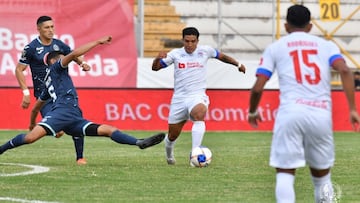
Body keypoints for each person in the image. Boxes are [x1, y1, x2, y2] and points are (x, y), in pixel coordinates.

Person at [247, 4, 360, 203]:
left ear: (286, 26)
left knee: (285, 171)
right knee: (322, 177)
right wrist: (352, 108)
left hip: (290, 113)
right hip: (320, 114)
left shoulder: (276, 47)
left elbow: (257, 88)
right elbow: (344, 71)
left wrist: (253, 111)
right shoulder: (326, 46)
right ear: (309, 26)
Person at [0, 36, 165, 157]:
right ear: (54, 61)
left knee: (106, 129)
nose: (64, 59)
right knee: (30, 138)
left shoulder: (49, 83)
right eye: (61, 58)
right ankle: (1, 149)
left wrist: (31, 123)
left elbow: (37, 106)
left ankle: (139, 142)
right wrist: (97, 42)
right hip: (65, 112)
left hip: (72, 116)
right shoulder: (57, 67)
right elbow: (74, 54)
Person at [152, 27, 246, 165]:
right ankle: (169, 155)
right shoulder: (175, 54)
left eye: (193, 41)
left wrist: (238, 64)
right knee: (172, 135)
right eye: (187, 41)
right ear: (182, 40)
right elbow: (155, 68)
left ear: (198, 41)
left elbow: (222, 57)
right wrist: (157, 59)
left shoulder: (205, 51)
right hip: (179, 98)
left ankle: (195, 154)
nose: (190, 45)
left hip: (197, 95)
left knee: (199, 113)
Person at [15, 16, 88, 165]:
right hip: (45, 95)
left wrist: (83, 63)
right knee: (57, 132)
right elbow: (19, 69)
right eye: (47, 27)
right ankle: (57, 127)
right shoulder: (31, 48)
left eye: (52, 27)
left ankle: (80, 157)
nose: (50, 30)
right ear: (39, 29)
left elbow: (73, 55)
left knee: (75, 122)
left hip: (63, 93)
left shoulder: (59, 45)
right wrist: (25, 93)